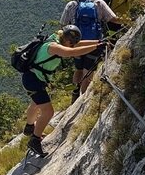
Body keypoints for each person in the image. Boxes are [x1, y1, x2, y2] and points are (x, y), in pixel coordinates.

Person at [22, 25, 108, 156]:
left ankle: (29, 127)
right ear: (66, 39)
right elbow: (72, 52)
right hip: (33, 81)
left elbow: (76, 45)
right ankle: (34, 140)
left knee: (36, 104)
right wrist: (96, 47)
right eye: (71, 42)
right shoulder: (54, 47)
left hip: (33, 77)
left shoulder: (58, 38)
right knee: (48, 111)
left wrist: (98, 42)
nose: (72, 45)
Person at [60, 0, 123, 102]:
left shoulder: (72, 5)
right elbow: (113, 18)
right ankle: (82, 101)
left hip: (77, 44)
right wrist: (129, 20)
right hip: (94, 43)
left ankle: (74, 95)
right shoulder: (99, 3)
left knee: (78, 69)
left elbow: (62, 25)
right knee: (87, 73)